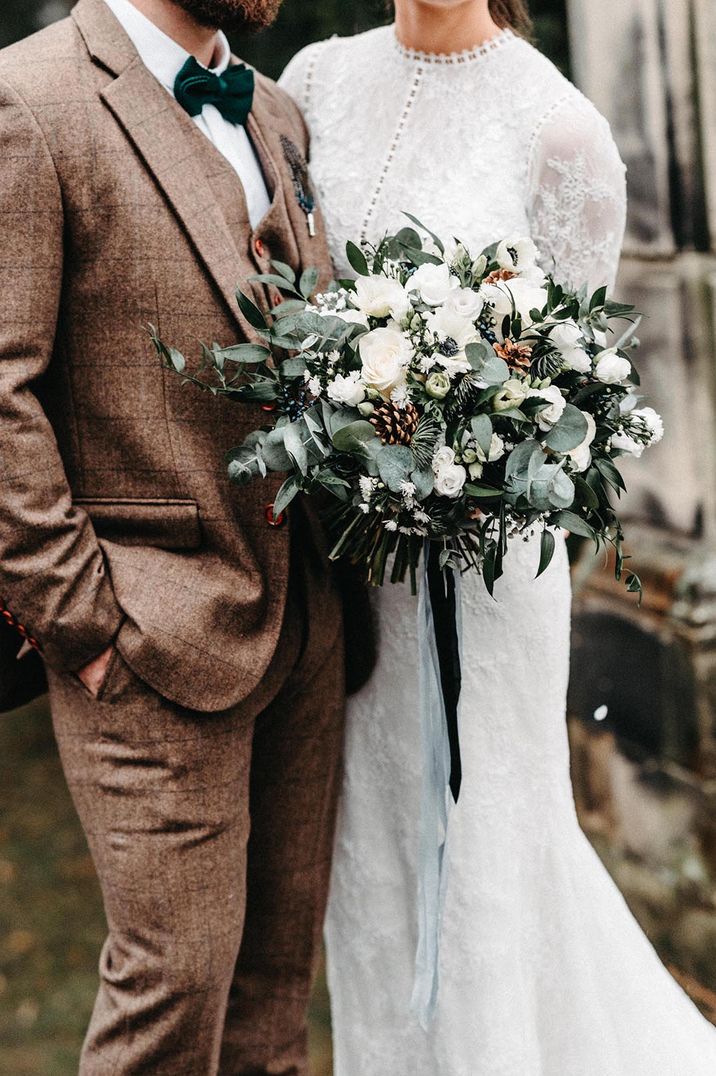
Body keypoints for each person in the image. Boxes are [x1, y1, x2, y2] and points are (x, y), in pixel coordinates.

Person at [280, 1, 716, 1072]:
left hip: (479, 581)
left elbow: (561, 405)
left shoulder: (560, 131)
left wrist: (459, 456)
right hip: (341, 566)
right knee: (368, 866)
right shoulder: (311, 80)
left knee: (483, 853)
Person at [0, 0, 357, 1071]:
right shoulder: (30, 99)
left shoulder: (279, 113)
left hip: (306, 626)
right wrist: (85, 624)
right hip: (146, 640)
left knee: (269, 1005)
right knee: (169, 1003)